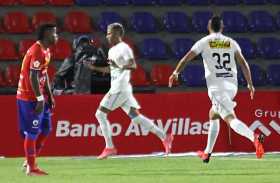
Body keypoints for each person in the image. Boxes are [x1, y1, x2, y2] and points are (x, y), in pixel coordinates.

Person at [169, 16, 264, 163]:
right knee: (213, 114)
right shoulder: (231, 42)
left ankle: (254, 137)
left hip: (217, 87)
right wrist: (250, 84)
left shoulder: (204, 42)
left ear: (209, 26)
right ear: (222, 27)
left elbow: (186, 58)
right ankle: (207, 153)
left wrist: (175, 73)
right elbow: (244, 64)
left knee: (230, 118)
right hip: (232, 86)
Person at [86, 23, 173, 159]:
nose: (107, 36)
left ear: (117, 34)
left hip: (119, 88)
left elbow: (132, 65)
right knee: (136, 118)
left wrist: (119, 65)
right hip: (120, 87)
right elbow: (111, 69)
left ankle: (109, 147)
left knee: (100, 114)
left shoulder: (124, 48)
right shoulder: (111, 50)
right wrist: (93, 68)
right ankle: (164, 136)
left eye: (109, 33)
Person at [16, 23, 58, 175]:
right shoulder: (37, 51)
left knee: (46, 129)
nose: (57, 36)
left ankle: (29, 161)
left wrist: (49, 94)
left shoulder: (46, 51)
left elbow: (43, 74)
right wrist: (39, 99)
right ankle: (31, 167)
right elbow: (33, 75)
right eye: (54, 34)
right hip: (29, 97)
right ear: (47, 34)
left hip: (40, 96)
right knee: (32, 132)